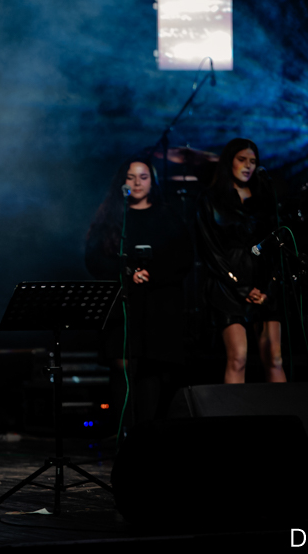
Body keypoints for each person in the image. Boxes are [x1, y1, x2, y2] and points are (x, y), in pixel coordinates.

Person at [85, 157, 191, 431]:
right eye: (131, 177)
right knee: (123, 367)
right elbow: (94, 259)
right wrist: (126, 274)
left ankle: (146, 436)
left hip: (157, 308)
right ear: (122, 182)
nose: (137, 183)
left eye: (143, 177)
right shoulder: (111, 218)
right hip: (123, 306)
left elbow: (183, 258)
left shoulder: (168, 217)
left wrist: (152, 274)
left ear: (152, 181)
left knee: (151, 369)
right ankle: (124, 435)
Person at [196, 139, 285, 384]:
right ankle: (234, 409)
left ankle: (283, 407)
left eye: (253, 161)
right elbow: (210, 250)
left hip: (263, 283)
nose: (248, 166)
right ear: (229, 162)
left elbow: (275, 245)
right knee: (238, 357)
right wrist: (240, 287)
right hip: (228, 286)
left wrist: (267, 288)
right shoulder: (210, 199)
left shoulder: (264, 198)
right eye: (242, 160)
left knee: (275, 358)